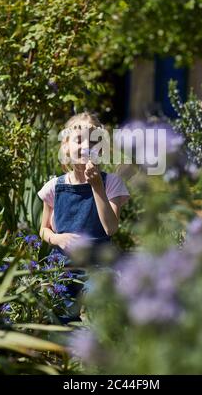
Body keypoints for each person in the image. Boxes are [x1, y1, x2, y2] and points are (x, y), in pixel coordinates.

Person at [37, 111, 130, 323]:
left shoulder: (111, 184)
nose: (86, 147)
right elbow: (43, 229)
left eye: (94, 142)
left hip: (98, 268)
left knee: (101, 307)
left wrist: (97, 186)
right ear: (66, 147)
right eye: (79, 140)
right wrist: (58, 238)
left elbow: (110, 228)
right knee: (58, 318)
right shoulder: (54, 187)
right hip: (63, 268)